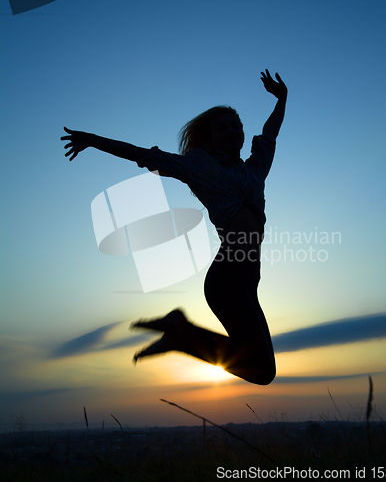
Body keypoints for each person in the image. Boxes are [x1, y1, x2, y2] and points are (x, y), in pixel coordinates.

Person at [61, 70, 287, 385]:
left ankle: (181, 334)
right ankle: (181, 335)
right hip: (227, 276)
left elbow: (271, 133)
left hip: (249, 279)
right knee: (260, 368)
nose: (232, 130)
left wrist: (282, 98)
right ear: (208, 139)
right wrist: (92, 140)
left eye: (236, 126)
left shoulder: (255, 169)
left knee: (263, 370)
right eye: (222, 127)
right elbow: (142, 155)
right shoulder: (199, 165)